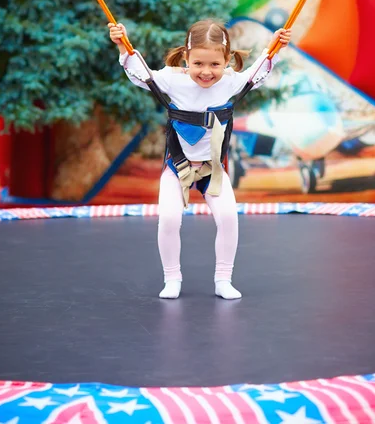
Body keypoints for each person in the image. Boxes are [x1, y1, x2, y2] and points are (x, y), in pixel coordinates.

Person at [109, 19, 291, 300]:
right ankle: (172, 278)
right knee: (169, 220)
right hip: (177, 166)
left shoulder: (230, 81)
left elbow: (257, 73)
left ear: (227, 61)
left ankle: (223, 279)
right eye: (198, 64)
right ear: (186, 58)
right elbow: (141, 74)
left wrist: (275, 48)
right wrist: (123, 45)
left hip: (212, 170)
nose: (206, 73)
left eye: (215, 65)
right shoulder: (173, 78)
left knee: (229, 218)